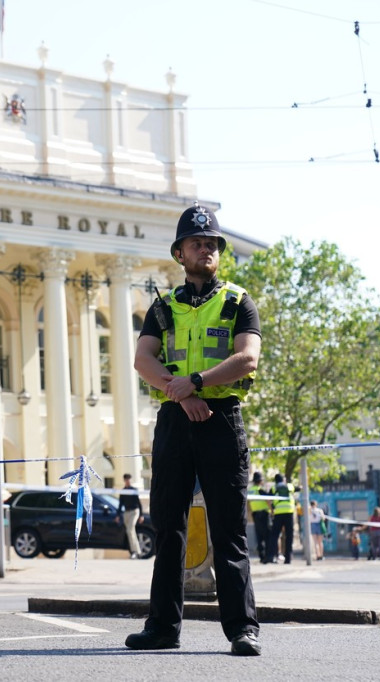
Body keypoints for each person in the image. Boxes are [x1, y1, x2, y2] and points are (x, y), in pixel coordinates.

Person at [127, 203, 262, 657]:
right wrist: (181, 393)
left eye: (212, 244)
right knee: (169, 527)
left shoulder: (238, 301)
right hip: (175, 421)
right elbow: (142, 359)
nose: (205, 248)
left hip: (221, 419)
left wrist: (199, 383)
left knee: (228, 529)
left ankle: (243, 629)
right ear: (179, 253)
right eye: (196, 242)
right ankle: (162, 627)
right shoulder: (162, 307)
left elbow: (248, 358)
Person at [267, 474, 295, 565]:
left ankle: (272, 556)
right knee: (289, 536)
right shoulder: (290, 486)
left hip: (278, 513)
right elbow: (298, 489)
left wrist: (272, 510)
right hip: (289, 512)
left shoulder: (273, 488)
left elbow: (269, 499)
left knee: (274, 535)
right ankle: (288, 558)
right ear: (283, 479)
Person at [117, 473, 145, 559]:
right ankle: (136, 552)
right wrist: (118, 515)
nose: (127, 480)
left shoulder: (134, 490)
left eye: (129, 479)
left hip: (134, 512)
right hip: (126, 513)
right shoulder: (123, 491)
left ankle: (136, 551)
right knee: (130, 532)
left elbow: (139, 503)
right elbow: (120, 504)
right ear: (124, 480)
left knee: (130, 530)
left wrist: (141, 515)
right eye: (126, 479)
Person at [247, 472, 271, 563]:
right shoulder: (260, 489)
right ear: (260, 481)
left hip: (255, 514)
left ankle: (261, 556)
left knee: (259, 536)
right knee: (267, 536)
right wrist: (271, 510)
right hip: (264, 514)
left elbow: (248, 503)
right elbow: (268, 500)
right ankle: (267, 557)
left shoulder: (250, 490)